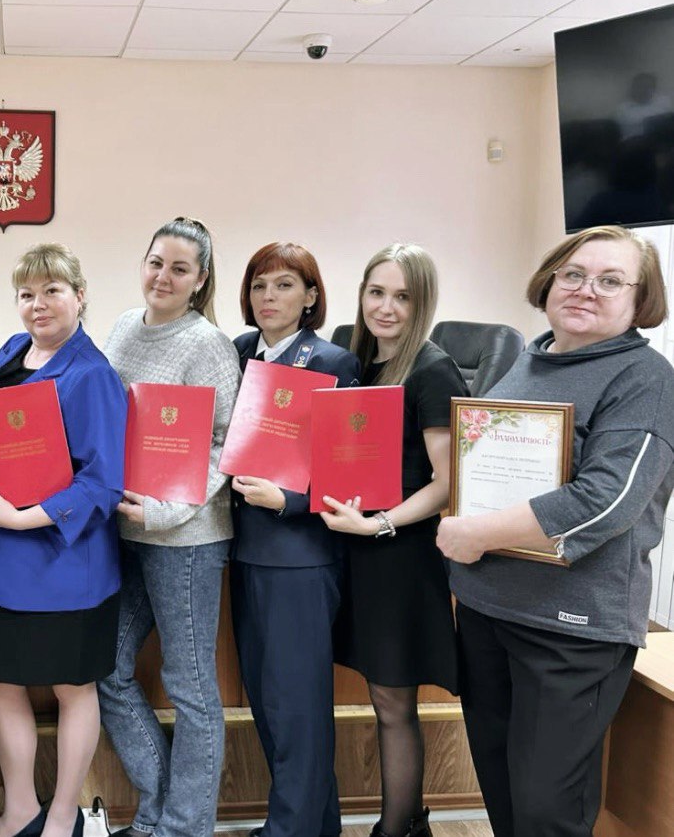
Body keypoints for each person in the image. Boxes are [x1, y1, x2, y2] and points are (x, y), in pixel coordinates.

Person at [438, 225, 674, 837]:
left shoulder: (646, 378)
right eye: (573, 274)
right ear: (548, 282)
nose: (586, 289)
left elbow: (606, 502)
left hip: (571, 630)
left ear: (641, 300)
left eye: (610, 280)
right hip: (489, 610)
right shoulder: (529, 360)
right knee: (503, 791)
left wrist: (478, 535)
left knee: (547, 810)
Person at [0, 244, 126, 837]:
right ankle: (20, 809)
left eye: (52, 291)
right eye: (27, 294)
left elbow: (103, 484)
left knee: (72, 687)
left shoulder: (94, 374)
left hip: (64, 561)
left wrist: (26, 518)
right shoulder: (12, 350)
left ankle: (61, 815)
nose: (39, 304)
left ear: (79, 296)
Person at [97, 217, 241, 837]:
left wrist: (162, 511)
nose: (164, 276)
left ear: (200, 280)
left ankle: (186, 828)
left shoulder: (207, 344)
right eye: (156, 262)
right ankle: (160, 812)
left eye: (180, 269)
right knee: (107, 668)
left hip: (185, 540)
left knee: (191, 688)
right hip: (123, 533)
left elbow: (226, 445)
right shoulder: (123, 326)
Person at [319, 243, 466, 837]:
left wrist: (380, 523)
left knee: (392, 702)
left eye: (402, 296)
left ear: (422, 303)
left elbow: (448, 482)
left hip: (397, 554)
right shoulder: (357, 362)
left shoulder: (431, 369)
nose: (385, 307)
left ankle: (399, 826)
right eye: (376, 292)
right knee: (380, 695)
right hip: (351, 547)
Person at [229, 243, 360, 837]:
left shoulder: (334, 362)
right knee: (267, 701)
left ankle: (290, 830)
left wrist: (290, 501)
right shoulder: (238, 352)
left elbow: (350, 468)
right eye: (259, 285)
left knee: (296, 707)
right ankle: (314, 825)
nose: (268, 297)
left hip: (299, 556)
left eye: (284, 285)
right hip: (243, 548)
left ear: (310, 296)